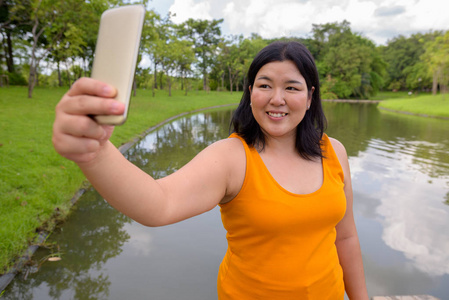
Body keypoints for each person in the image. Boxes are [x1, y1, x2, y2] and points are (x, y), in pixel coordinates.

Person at [53, 41, 369, 299]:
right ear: (250, 91)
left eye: (292, 87)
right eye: (265, 85)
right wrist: (94, 153)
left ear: (311, 96)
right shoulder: (232, 157)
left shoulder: (335, 151)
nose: (277, 99)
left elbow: (346, 238)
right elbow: (159, 203)